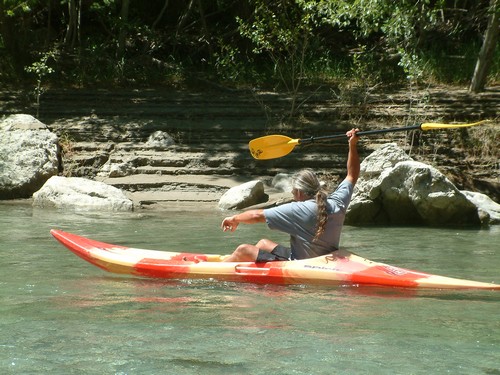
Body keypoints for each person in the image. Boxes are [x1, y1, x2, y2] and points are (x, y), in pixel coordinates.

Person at [220, 128, 360, 262]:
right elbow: (352, 175)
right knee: (263, 244)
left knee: (243, 250)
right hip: (324, 258)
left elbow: (256, 216)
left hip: (303, 264)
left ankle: (219, 269)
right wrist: (352, 145)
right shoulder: (336, 202)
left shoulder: (297, 210)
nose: (293, 196)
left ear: (299, 192)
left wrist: (234, 218)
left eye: (293, 192)